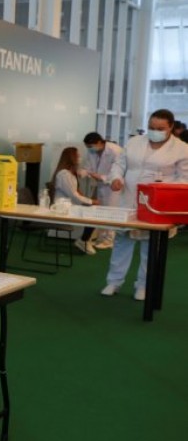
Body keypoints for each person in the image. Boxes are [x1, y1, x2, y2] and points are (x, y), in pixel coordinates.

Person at [102, 109, 188, 301]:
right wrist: (115, 178)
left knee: (151, 247)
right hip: (128, 199)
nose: (154, 131)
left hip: (158, 204)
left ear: (171, 127)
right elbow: (119, 164)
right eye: (151, 127)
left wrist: (161, 188)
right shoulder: (134, 142)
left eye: (160, 128)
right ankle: (114, 281)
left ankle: (143, 286)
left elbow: (185, 179)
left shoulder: (182, 149)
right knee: (122, 242)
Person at [53, 146, 99, 254]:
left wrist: (89, 201)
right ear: (71, 158)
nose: (80, 158)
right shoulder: (64, 174)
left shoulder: (69, 173)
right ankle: (83, 240)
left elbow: (76, 192)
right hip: (63, 207)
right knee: (92, 214)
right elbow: (74, 195)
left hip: (68, 205)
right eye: (78, 156)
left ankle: (84, 239)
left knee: (94, 212)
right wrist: (91, 201)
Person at [82, 132, 123, 249]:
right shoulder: (92, 151)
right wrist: (85, 171)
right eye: (88, 147)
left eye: (91, 146)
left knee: (111, 212)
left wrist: (102, 177)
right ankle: (101, 238)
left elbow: (119, 171)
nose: (90, 149)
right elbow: (88, 166)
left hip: (113, 186)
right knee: (101, 212)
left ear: (99, 142)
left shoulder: (115, 151)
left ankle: (110, 240)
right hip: (100, 185)